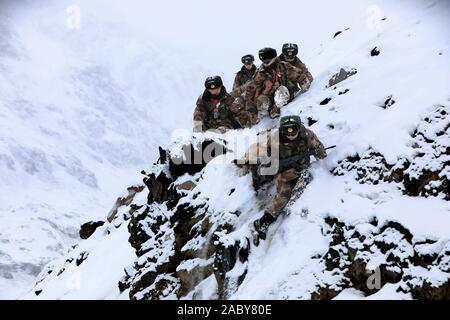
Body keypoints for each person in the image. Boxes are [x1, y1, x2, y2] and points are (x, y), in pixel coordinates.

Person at [236, 115, 326, 242]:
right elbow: (267, 159)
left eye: (294, 132)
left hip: (300, 167)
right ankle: (264, 221)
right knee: (284, 194)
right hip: (281, 171)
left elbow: (321, 152)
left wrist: (318, 151)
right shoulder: (274, 140)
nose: (291, 136)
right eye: (287, 133)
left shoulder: (306, 134)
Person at [241, 47, 313, 122]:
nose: (265, 63)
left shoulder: (284, 66)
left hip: (284, 94)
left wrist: (308, 90)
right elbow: (251, 87)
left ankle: (277, 111)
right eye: (263, 61)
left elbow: (300, 76)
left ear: (274, 58)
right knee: (261, 100)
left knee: (281, 92)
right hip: (269, 97)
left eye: (268, 61)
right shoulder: (260, 72)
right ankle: (263, 120)